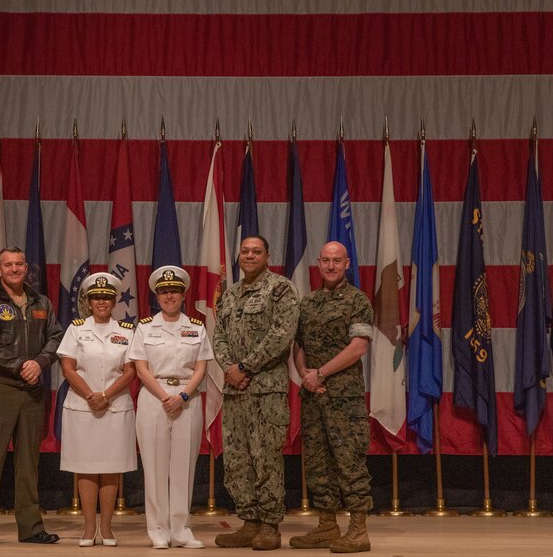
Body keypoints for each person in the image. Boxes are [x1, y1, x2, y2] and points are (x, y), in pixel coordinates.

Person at [0, 247, 64, 548]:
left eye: (19, 264)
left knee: (29, 464)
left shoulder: (41, 302)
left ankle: (31, 527)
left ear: (27, 268)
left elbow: (56, 337)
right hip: (0, 389)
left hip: (32, 391)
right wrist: (22, 365)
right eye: (8, 264)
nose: (14, 269)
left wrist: (40, 363)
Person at [213, 235, 300, 550]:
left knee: (266, 459)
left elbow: (282, 334)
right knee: (237, 459)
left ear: (267, 256)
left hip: (266, 390)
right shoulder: (232, 294)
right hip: (235, 391)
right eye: (245, 251)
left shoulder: (280, 289)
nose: (249, 256)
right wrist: (229, 368)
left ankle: (269, 525)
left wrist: (245, 367)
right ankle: (249, 521)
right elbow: (219, 333)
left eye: (256, 252)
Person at [289, 241, 373, 553]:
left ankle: (358, 529)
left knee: (349, 461)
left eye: (337, 261)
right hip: (313, 395)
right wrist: (305, 376)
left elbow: (358, 347)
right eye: (325, 261)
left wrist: (320, 373)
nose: (331, 266)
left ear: (347, 263)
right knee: (317, 463)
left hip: (343, 398)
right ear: (319, 264)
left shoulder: (357, 300)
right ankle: (327, 525)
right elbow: (297, 346)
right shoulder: (307, 303)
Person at [129, 266, 212, 550]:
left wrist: (183, 396)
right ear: (156, 295)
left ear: (183, 294)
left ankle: (180, 528)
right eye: (164, 292)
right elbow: (141, 368)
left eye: (174, 291)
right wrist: (165, 396)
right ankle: (158, 529)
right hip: (154, 398)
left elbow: (201, 367)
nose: (169, 296)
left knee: (183, 466)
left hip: (188, 398)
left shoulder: (197, 327)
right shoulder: (144, 327)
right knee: (154, 466)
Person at [57, 272, 138, 547]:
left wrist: (105, 395)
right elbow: (68, 368)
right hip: (83, 406)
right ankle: (89, 527)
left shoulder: (127, 331)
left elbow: (131, 371)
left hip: (114, 406)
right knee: (87, 467)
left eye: (106, 297)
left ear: (114, 300)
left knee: (111, 467)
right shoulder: (76, 329)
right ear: (89, 302)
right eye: (96, 298)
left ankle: (107, 527)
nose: (101, 302)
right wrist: (91, 395)